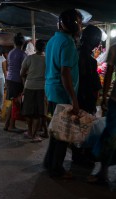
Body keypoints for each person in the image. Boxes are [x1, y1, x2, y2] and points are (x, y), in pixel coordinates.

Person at [43, 9, 83, 178]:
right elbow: (65, 73)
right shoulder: (67, 43)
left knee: (55, 130)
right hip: (62, 92)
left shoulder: (53, 40)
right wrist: (74, 100)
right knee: (62, 133)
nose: (81, 26)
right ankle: (56, 169)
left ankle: (48, 162)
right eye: (79, 22)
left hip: (52, 90)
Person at [72, 25, 103, 166]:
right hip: (85, 99)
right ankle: (81, 157)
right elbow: (95, 85)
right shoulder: (90, 61)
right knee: (84, 129)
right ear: (94, 41)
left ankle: (77, 156)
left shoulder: (74, 53)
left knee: (77, 128)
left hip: (75, 96)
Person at [88, 44, 116, 184]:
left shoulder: (115, 48)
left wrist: (104, 96)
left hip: (115, 100)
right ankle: (103, 172)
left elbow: (110, 71)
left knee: (110, 136)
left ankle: (103, 172)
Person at [20, 40, 46, 142]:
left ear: (35, 47)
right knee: (38, 113)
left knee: (28, 112)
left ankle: (30, 132)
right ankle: (34, 135)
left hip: (29, 87)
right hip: (41, 88)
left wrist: (25, 85)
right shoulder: (47, 60)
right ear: (44, 48)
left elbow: (22, 73)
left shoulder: (29, 58)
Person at [4, 33, 26, 132]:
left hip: (9, 79)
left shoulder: (11, 53)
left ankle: (7, 124)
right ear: (23, 43)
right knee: (15, 103)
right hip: (17, 80)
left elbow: (10, 66)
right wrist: (24, 84)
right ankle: (11, 125)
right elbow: (23, 71)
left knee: (13, 102)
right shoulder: (23, 54)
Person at [77, 25, 102, 115]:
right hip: (85, 101)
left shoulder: (75, 52)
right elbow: (91, 83)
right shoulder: (89, 60)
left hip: (76, 98)